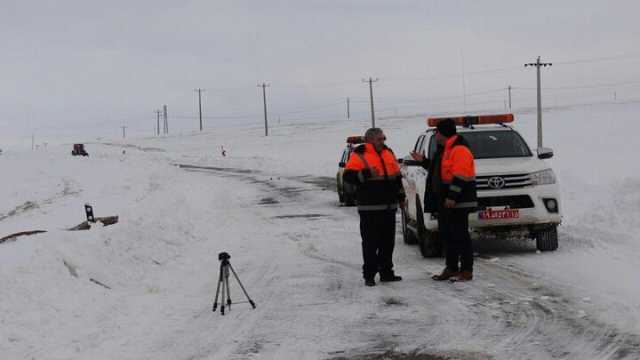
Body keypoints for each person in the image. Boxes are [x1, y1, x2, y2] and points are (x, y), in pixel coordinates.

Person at [410, 118, 477, 282]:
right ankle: (452, 268)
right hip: (446, 201)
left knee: (460, 234)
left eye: (437, 132)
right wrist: (424, 162)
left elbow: (460, 176)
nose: (436, 135)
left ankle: (466, 270)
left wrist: (452, 197)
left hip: (457, 200)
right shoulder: (445, 149)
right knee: (448, 235)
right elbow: (439, 171)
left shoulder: (459, 149)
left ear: (443, 133)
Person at [343, 128, 406, 286]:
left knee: (387, 243)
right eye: (379, 139)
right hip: (369, 208)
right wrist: (365, 174)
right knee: (370, 243)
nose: (382, 141)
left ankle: (386, 272)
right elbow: (348, 177)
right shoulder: (359, 154)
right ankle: (369, 275)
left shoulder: (388, 153)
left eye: (383, 138)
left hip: (389, 207)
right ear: (370, 140)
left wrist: (401, 197)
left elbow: (397, 177)